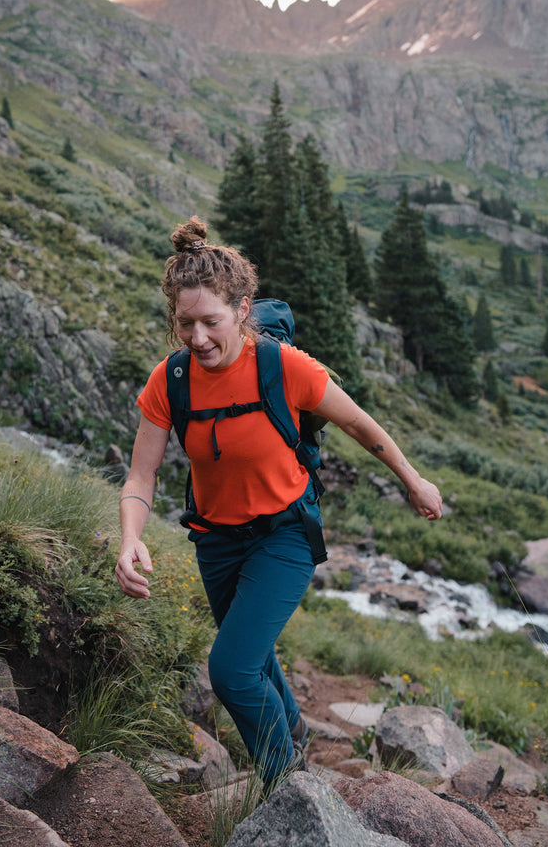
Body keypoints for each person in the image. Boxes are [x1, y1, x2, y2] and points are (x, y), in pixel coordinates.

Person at [115, 216, 442, 789]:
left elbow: (362, 426)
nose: (197, 338)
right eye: (185, 323)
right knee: (254, 653)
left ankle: (287, 785)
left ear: (243, 309)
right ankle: (292, 727)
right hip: (216, 541)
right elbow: (140, 477)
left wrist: (413, 480)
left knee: (232, 669)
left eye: (211, 322)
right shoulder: (169, 380)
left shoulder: (283, 366)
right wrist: (130, 537)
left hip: (284, 535)